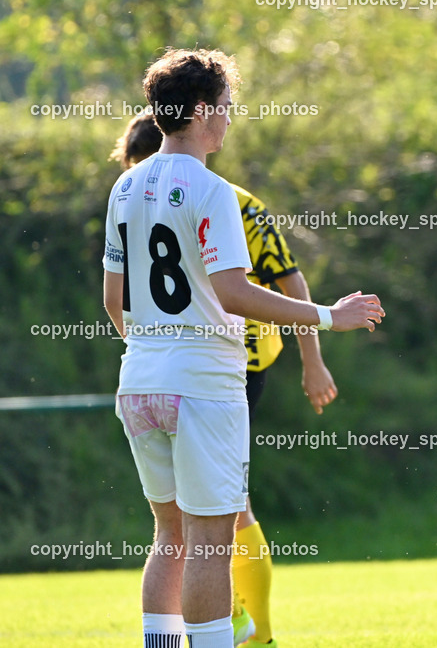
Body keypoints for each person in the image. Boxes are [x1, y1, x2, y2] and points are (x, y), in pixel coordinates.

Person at [102, 47, 384, 648]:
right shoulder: (213, 191)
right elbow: (234, 293)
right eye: (227, 108)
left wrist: (155, 351)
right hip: (202, 386)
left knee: (169, 538)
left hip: (139, 382)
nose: (231, 120)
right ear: (202, 111)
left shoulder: (125, 186)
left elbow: (113, 300)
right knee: (210, 541)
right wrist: (330, 317)